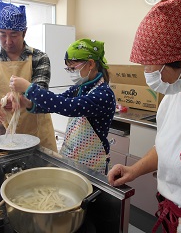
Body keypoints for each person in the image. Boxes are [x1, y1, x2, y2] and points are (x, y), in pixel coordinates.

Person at [107, 0, 181, 232]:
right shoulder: (173, 99)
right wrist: (133, 170)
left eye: (150, 63)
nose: (147, 72)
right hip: (171, 217)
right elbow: (167, 147)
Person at [9, 39, 116, 174]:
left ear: (90, 64)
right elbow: (57, 102)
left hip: (92, 164)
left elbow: (68, 106)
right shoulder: (79, 88)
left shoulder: (104, 94)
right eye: (69, 69)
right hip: (72, 158)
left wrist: (30, 88)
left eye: (74, 68)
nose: (71, 72)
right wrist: (29, 103)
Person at [0, 0, 57, 152]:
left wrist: (21, 99)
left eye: (14, 35)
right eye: (2, 34)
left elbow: (41, 96)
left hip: (38, 136)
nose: (8, 41)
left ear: (24, 32)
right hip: (5, 136)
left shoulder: (39, 58)